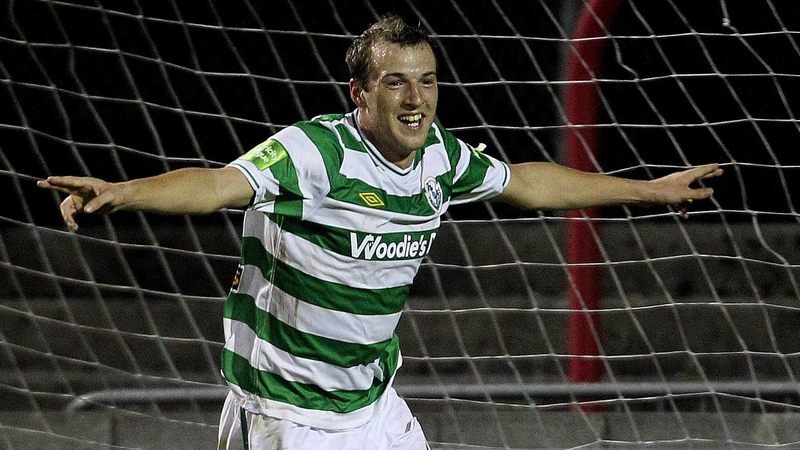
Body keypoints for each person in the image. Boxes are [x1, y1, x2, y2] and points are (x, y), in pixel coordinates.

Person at [37, 14, 722, 450]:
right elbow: (215, 186)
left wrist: (647, 190)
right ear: (359, 95)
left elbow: (528, 181)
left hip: (372, 405)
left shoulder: (439, 159)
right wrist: (122, 192)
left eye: (426, 80)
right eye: (396, 83)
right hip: (288, 417)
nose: (416, 98)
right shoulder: (314, 153)